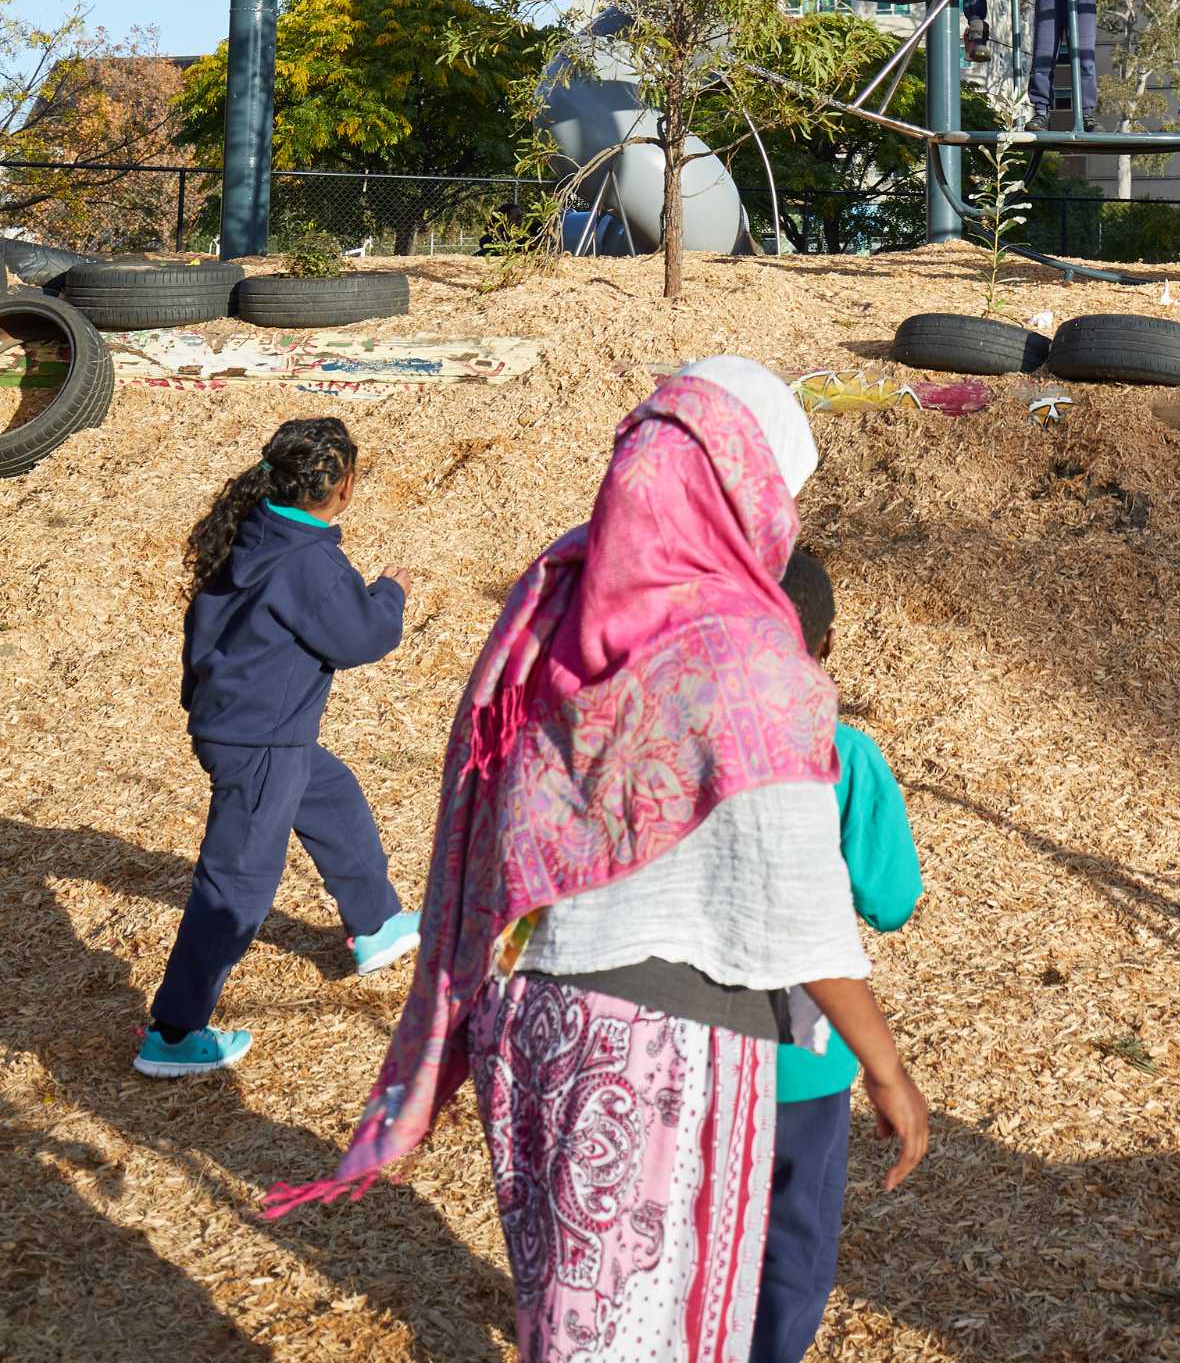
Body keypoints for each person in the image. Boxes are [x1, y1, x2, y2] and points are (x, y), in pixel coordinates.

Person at [270, 357, 930, 1363]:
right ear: (747, 486)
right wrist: (882, 1066)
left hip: (533, 1022)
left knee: (572, 1328)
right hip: (666, 1050)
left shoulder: (560, 602)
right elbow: (794, 899)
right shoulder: (743, 648)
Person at [138, 417, 414, 1079]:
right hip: (261, 743)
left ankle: (376, 924)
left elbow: (205, 625)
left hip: (244, 726)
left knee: (331, 794)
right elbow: (359, 639)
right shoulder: (309, 563)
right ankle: (174, 1033)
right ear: (344, 487)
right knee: (234, 885)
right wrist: (390, 592)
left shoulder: (251, 528)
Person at [752, 547, 924, 1363]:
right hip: (804, 1056)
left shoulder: (664, 738)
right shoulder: (847, 756)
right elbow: (891, 899)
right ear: (826, 642)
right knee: (792, 1239)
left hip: (679, 1042)